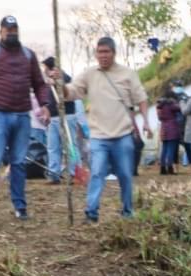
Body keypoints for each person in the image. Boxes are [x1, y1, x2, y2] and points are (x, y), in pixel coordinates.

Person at [50, 36, 151, 224]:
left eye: (106, 52)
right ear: (95, 54)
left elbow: (141, 98)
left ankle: (127, 210)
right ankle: (91, 212)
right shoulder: (89, 74)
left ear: (114, 53)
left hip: (122, 134)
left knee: (125, 174)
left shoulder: (127, 74)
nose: (103, 56)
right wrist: (60, 83)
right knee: (97, 172)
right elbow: (71, 93)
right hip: (98, 136)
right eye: (100, 52)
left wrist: (145, 121)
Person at [0, 15, 52, 221]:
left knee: (19, 162)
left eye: (14, 30)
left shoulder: (28, 55)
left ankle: (20, 207)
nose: (11, 33)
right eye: (7, 30)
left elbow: (39, 84)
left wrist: (46, 105)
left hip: (22, 115)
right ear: (1, 32)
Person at [42, 57, 81, 185]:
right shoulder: (48, 82)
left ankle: (74, 173)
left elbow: (67, 94)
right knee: (53, 146)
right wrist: (47, 110)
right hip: (53, 118)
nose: (44, 70)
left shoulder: (65, 77)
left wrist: (58, 81)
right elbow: (48, 100)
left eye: (45, 68)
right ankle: (54, 174)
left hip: (67, 116)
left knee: (70, 145)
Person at [155, 85, 183, 175]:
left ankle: (163, 169)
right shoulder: (171, 105)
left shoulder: (160, 106)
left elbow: (159, 117)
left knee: (164, 149)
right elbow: (180, 108)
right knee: (171, 149)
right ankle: (170, 168)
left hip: (164, 129)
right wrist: (177, 102)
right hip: (172, 129)